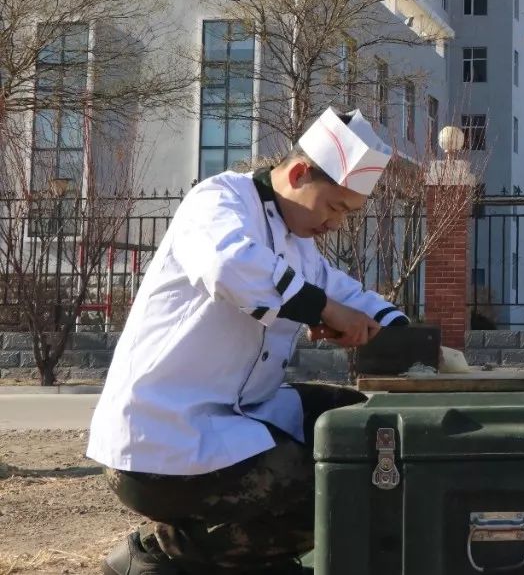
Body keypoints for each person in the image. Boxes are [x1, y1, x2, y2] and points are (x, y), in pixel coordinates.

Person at [89, 108, 410, 575]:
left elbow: (346, 293)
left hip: (234, 418)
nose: (336, 224)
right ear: (299, 173)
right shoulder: (218, 200)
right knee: (336, 482)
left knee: (354, 421)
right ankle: (158, 554)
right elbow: (230, 267)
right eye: (335, 207)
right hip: (162, 440)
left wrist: (401, 333)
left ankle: (256, 560)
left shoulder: (300, 246)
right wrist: (322, 310)